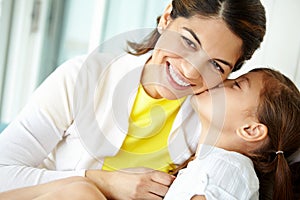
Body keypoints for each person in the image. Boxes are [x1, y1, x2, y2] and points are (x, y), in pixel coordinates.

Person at [0, 0, 266, 199]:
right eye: (188, 42)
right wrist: (102, 182)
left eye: (216, 66)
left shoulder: (209, 119)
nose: (189, 71)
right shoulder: (83, 77)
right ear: (166, 18)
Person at [164, 68, 300, 200]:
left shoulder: (228, 169)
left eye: (237, 85)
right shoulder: (217, 166)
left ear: (250, 130)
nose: (221, 81)